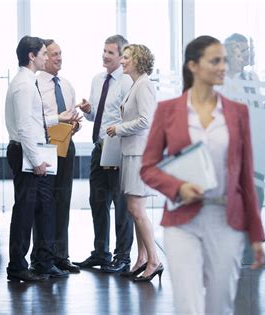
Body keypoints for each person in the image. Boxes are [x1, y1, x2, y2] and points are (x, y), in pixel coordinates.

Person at [140, 35, 265, 314]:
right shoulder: (168, 111)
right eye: (215, 60)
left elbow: (246, 178)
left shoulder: (238, 113)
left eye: (224, 60)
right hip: (182, 220)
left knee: (219, 305)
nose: (223, 66)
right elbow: (148, 167)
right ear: (194, 66)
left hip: (226, 221)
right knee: (188, 304)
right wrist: (178, 187)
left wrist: (256, 233)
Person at [5, 36, 76, 282]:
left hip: (36, 151)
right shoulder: (24, 85)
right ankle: (17, 267)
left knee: (45, 208)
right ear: (31, 56)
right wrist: (35, 160)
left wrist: (60, 118)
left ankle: (44, 263)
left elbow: (36, 120)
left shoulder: (28, 81)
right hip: (28, 153)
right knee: (25, 212)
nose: (47, 58)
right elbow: (24, 126)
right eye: (44, 54)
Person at [75, 35, 134, 273]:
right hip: (99, 148)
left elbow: (129, 117)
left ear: (121, 57)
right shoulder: (98, 80)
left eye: (110, 53)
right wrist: (89, 111)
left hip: (118, 149)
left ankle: (123, 257)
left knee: (121, 204)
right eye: (104, 51)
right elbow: (96, 117)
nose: (105, 56)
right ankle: (101, 253)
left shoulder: (128, 82)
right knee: (97, 201)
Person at [224, 33, 265, 266]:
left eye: (245, 50)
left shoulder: (252, 77)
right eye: (240, 51)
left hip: (256, 148)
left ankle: (253, 252)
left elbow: (256, 107)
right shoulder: (224, 83)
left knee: (257, 197)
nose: (245, 55)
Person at [105, 44, 161, 282]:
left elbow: (146, 121)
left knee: (137, 210)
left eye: (126, 57)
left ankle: (155, 261)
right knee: (134, 209)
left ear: (138, 61)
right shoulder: (137, 85)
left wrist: (119, 128)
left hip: (140, 155)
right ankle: (142, 258)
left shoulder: (144, 85)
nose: (123, 61)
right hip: (132, 153)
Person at [32, 39, 81, 273]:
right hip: (45, 148)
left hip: (66, 147)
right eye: (53, 54)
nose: (58, 58)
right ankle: (43, 257)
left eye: (60, 53)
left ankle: (61, 256)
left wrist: (74, 125)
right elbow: (35, 120)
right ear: (43, 57)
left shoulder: (67, 85)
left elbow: (70, 118)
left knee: (63, 201)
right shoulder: (35, 85)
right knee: (44, 204)